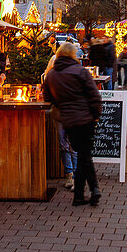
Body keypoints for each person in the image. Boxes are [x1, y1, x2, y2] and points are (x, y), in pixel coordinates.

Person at [43, 41, 102, 206]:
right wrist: (96, 115)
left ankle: (79, 196)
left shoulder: (52, 75)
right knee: (85, 156)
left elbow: (48, 98)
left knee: (83, 155)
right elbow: (94, 96)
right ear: (73, 55)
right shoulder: (80, 71)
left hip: (68, 120)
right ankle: (93, 189)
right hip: (85, 119)